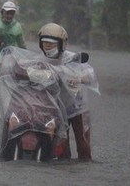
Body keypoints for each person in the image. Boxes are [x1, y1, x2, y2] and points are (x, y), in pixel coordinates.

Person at [37, 23, 99, 161]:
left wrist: (78, 78)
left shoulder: (72, 58)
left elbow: (90, 75)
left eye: (51, 43)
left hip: (79, 109)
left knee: (84, 146)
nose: (48, 46)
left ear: (62, 44)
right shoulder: (39, 61)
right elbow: (26, 74)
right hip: (57, 110)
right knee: (62, 151)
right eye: (45, 43)